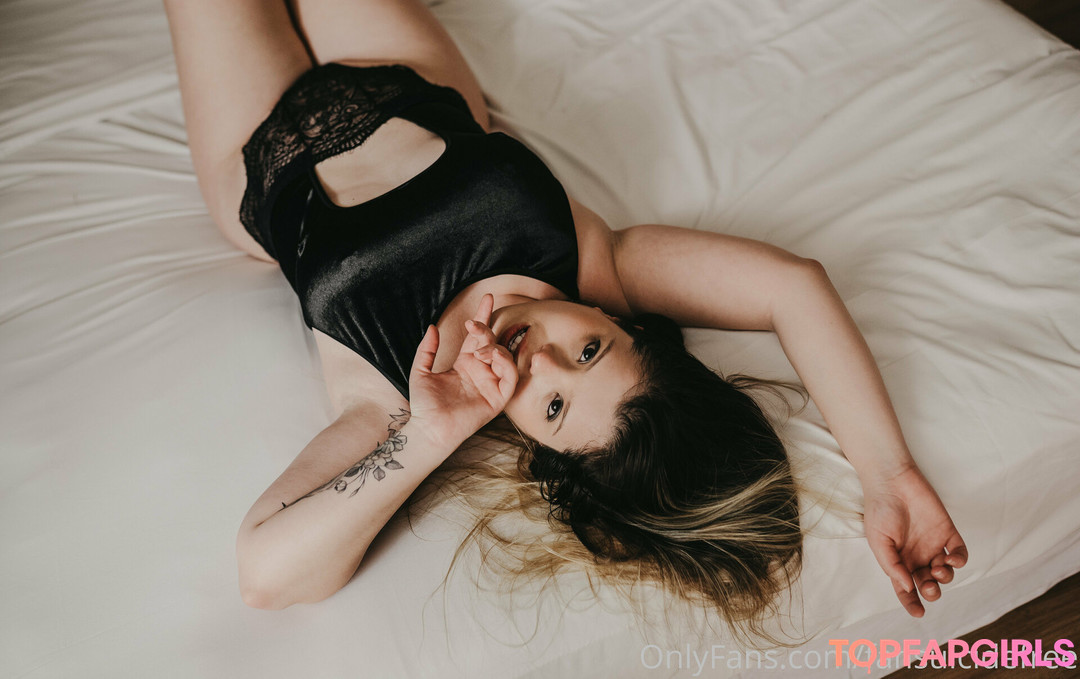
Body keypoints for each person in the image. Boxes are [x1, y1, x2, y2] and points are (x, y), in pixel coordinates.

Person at [164, 0, 968, 627]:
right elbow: (794, 287)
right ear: (626, 325)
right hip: (403, 77)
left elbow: (263, 573)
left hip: (257, 159)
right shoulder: (597, 266)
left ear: (538, 445)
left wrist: (427, 439)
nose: (540, 357)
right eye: (590, 352)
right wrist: (888, 476)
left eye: (551, 405)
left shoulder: (393, 402)